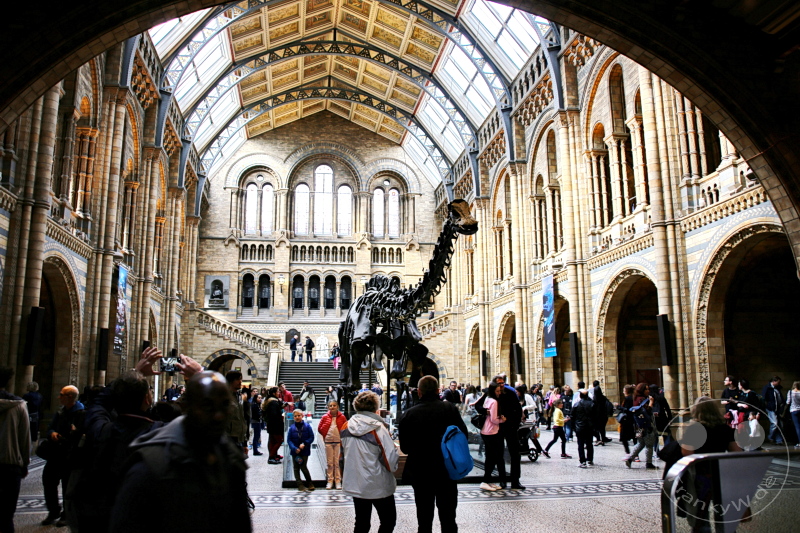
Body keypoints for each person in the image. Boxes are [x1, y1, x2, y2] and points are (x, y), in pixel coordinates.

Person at [109, 371, 252, 532]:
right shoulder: (152, 465)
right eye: (207, 405)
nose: (217, 415)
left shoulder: (230, 460)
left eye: (225, 404)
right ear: (190, 407)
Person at [398, 376, 468, 532]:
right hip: (447, 469)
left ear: (419, 392)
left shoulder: (409, 414)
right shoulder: (450, 409)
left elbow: (406, 447)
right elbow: (463, 435)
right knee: (448, 518)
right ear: (438, 391)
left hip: (421, 471)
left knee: (424, 519)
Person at [679, 396, 743, 531]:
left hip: (702, 473)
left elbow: (686, 452)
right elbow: (736, 451)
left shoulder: (694, 429)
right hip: (721, 473)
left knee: (701, 512)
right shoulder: (725, 429)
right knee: (724, 509)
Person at [341, 390, 399, 533]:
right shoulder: (378, 428)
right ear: (375, 407)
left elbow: (343, 453)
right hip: (378, 483)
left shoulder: (346, 426)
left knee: (361, 522)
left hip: (356, 482)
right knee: (388, 520)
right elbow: (390, 458)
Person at [42, 384, 85, 526]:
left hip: (69, 455)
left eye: (61, 395)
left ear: (70, 397)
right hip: (55, 453)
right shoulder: (60, 411)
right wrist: (52, 433)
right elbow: (51, 427)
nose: (59, 397)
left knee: (68, 486)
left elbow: (79, 434)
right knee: (48, 481)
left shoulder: (81, 413)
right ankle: (53, 511)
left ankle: (66, 514)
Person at [0, 366, 30, 533]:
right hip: (9, 465)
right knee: (6, 516)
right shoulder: (18, 405)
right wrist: (24, 463)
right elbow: (24, 437)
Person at [492, 375, 525, 489]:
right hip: (498, 427)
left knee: (515, 454)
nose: (501, 385)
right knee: (499, 454)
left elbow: (518, 408)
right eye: (499, 383)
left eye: (502, 383)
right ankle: (502, 480)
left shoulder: (510, 392)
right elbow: (479, 405)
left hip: (510, 426)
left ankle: (515, 480)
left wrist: (515, 424)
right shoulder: (491, 393)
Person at [479, 382, 506, 491]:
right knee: (492, 458)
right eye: (497, 391)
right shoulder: (494, 402)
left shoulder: (488, 399)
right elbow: (494, 419)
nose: (499, 393)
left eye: (500, 391)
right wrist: (502, 420)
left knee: (490, 457)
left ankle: (488, 481)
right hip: (491, 431)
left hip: (486, 430)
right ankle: (485, 481)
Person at [625, 383, 657, 469]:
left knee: (640, 443)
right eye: (646, 389)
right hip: (647, 425)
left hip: (638, 425)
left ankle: (630, 458)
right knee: (649, 445)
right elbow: (648, 411)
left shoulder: (635, 398)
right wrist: (651, 402)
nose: (648, 391)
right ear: (642, 390)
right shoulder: (643, 399)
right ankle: (649, 463)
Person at [318, 400, 347, 489]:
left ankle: (338, 480)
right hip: (328, 441)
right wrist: (326, 434)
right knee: (330, 462)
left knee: (337, 462)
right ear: (328, 407)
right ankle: (330, 480)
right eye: (330, 405)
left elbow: (345, 427)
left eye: (334, 405)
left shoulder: (342, 417)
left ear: (337, 406)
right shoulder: (324, 417)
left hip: (338, 442)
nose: (332, 407)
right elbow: (320, 428)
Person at [287, 409, 315, 491]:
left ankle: (309, 483)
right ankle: (300, 484)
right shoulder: (291, 428)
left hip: (304, 450)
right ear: (293, 417)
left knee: (303, 467)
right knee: (296, 468)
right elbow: (289, 440)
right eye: (295, 416)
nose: (297, 417)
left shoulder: (307, 426)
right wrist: (294, 448)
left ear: (302, 416)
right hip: (295, 451)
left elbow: (311, 437)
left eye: (299, 415)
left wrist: (305, 443)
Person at [225, 370, 249, 457]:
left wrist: (244, 442)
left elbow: (242, 419)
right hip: (228, 439)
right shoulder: (223, 396)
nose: (240, 382)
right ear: (231, 381)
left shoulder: (238, 396)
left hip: (238, 439)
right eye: (238, 379)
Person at [571, 388, 595, 468]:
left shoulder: (576, 404)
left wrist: (573, 427)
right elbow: (596, 416)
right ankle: (590, 459)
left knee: (580, 444)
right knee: (589, 443)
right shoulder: (592, 404)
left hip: (580, 427)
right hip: (589, 426)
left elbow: (572, 416)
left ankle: (582, 461)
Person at [263, 387, 285, 464]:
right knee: (279, 440)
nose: (279, 393)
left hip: (272, 425)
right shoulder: (273, 402)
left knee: (273, 440)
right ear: (274, 393)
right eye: (277, 392)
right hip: (275, 425)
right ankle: (271, 457)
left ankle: (274, 455)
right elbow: (274, 415)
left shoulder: (272, 401)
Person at [761, 376, 784, 444]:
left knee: (779, 425)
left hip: (778, 408)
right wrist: (766, 405)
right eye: (778, 382)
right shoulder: (767, 388)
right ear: (774, 381)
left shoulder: (777, 388)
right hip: (771, 408)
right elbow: (763, 397)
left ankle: (779, 440)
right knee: (774, 423)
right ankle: (770, 437)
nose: (779, 383)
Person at [618, 384, 637, 458]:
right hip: (632, 420)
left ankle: (628, 453)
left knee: (623, 437)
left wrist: (619, 407)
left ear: (626, 391)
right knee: (634, 437)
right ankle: (636, 455)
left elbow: (627, 409)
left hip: (627, 420)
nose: (623, 392)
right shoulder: (633, 398)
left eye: (623, 390)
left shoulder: (628, 399)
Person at [22, 381, 42, 449]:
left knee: (26, 434)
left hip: (27, 416)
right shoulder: (39, 396)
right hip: (36, 417)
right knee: (33, 436)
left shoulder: (26, 396)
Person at [787, 381, 800, 448]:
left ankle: (799, 442)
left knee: (797, 427)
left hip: (793, 410)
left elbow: (788, 402)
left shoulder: (790, 392)